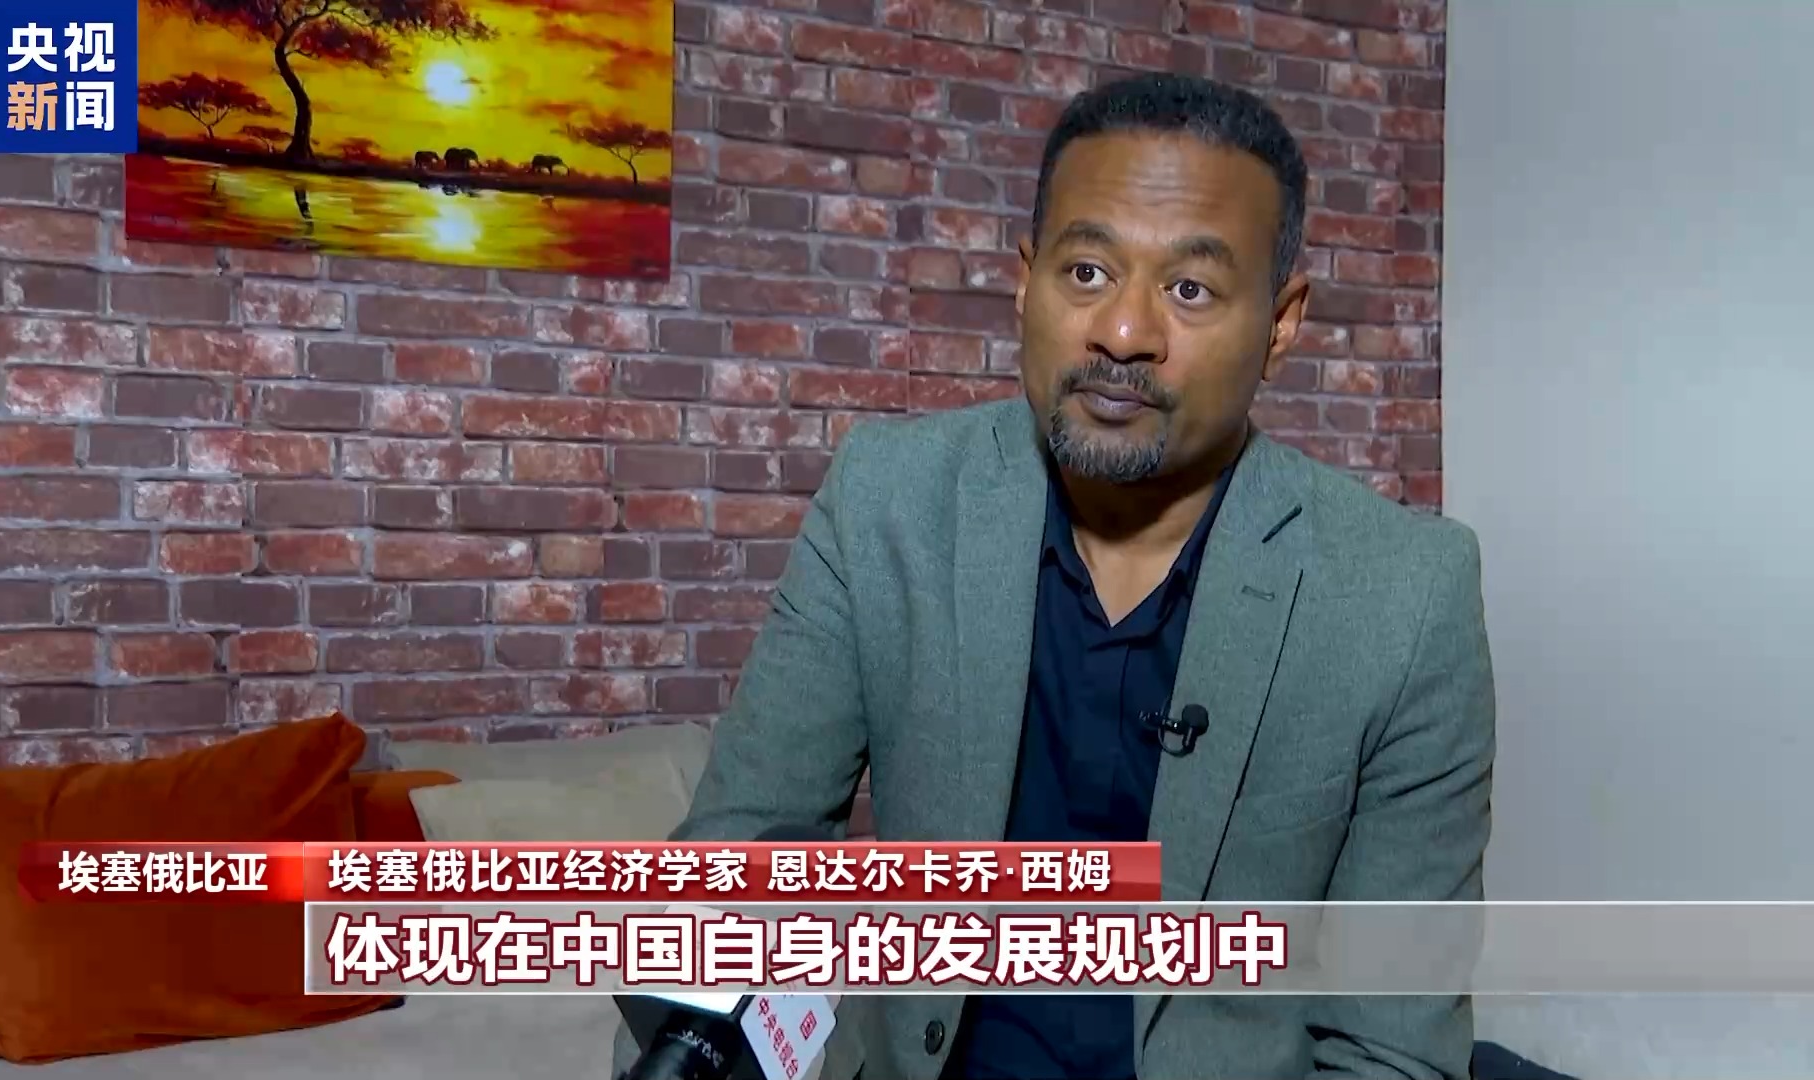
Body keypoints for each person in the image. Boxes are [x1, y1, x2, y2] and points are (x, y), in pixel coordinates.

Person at [616, 72, 1495, 1080]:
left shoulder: (1406, 595)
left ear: (1281, 324)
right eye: (1086, 272)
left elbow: (1393, 1047)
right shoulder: (888, 500)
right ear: (1026, 280)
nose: (1122, 334)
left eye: (1190, 289)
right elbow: (732, 863)